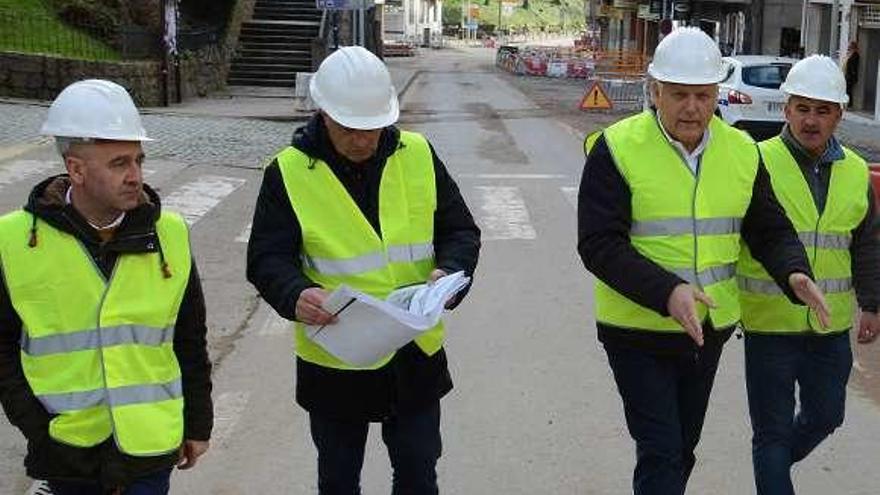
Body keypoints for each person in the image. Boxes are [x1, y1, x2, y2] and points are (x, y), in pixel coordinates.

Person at [577, 27, 830, 495]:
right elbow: (598, 244)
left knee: (682, 448)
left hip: (706, 331)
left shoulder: (740, 151)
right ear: (654, 91)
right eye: (678, 95)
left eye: (702, 95)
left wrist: (795, 272)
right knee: (661, 449)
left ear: (717, 93)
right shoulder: (616, 148)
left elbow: (768, 227)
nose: (692, 107)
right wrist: (667, 291)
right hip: (636, 333)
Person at [246, 46, 480, 495]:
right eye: (351, 128)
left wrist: (450, 273)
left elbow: (460, 230)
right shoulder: (288, 173)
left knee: (418, 472)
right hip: (337, 354)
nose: (364, 139)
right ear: (323, 113)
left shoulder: (418, 154)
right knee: (338, 478)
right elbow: (267, 258)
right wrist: (295, 293)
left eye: (374, 127)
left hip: (413, 354)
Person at [0, 79, 213, 495]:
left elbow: (189, 337)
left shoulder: (169, 234)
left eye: (138, 160)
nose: (135, 176)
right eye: (119, 164)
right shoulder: (13, 241)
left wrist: (198, 422)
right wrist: (38, 427)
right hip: (67, 452)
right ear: (75, 169)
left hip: (149, 449)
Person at [737, 54, 880, 495]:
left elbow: (869, 242)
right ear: (786, 110)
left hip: (830, 327)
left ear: (839, 114)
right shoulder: (754, 161)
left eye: (822, 110)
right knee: (773, 433)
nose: (811, 120)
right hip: (769, 325)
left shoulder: (856, 171)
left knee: (826, 416)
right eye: (802, 108)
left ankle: (773, 467)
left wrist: (872, 304)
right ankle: (773, 470)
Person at [844, 41, 860, 108]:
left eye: (850, 46)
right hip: (848, 75)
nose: (849, 47)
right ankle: (847, 104)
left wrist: (852, 75)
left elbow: (853, 66)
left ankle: (849, 105)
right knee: (847, 90)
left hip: (850, 76)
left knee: (849, 91)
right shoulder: (850, 54)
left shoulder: (855, 55)